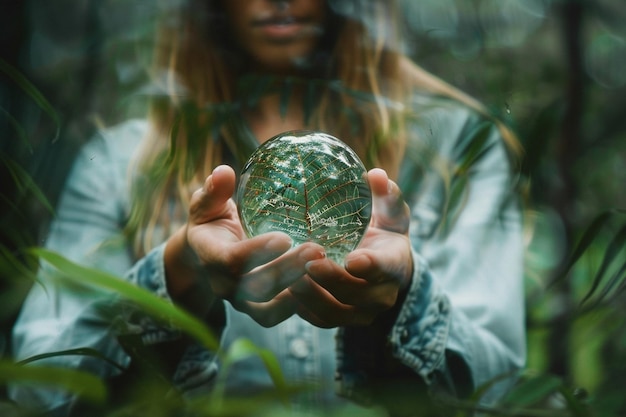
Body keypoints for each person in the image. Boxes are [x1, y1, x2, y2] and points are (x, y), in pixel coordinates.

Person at [10, 0, 526, 415]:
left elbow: (499, 392)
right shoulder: (121, 163)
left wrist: (406, 295)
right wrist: (177, 277)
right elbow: (41, 391)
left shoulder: (455, 149)